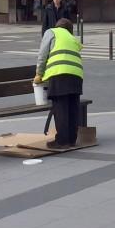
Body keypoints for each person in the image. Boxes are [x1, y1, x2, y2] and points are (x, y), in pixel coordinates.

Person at [34, 18, 84, 148]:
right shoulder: (73, 38)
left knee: (61, 108)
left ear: (58, 26)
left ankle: (62, 141)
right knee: (73, 108)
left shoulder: (51, 32)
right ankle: (71, 140)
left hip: (59, 74)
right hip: (77, 75)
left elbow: (43, 54)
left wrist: (39, 73)